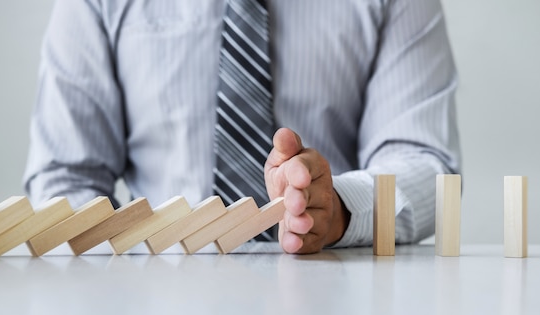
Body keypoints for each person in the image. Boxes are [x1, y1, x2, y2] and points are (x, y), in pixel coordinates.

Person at [23, 0, 461, 254]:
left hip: (336, 302)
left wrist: (340, 210)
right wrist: (138, 261)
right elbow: (65, 179)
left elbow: (427, 164)